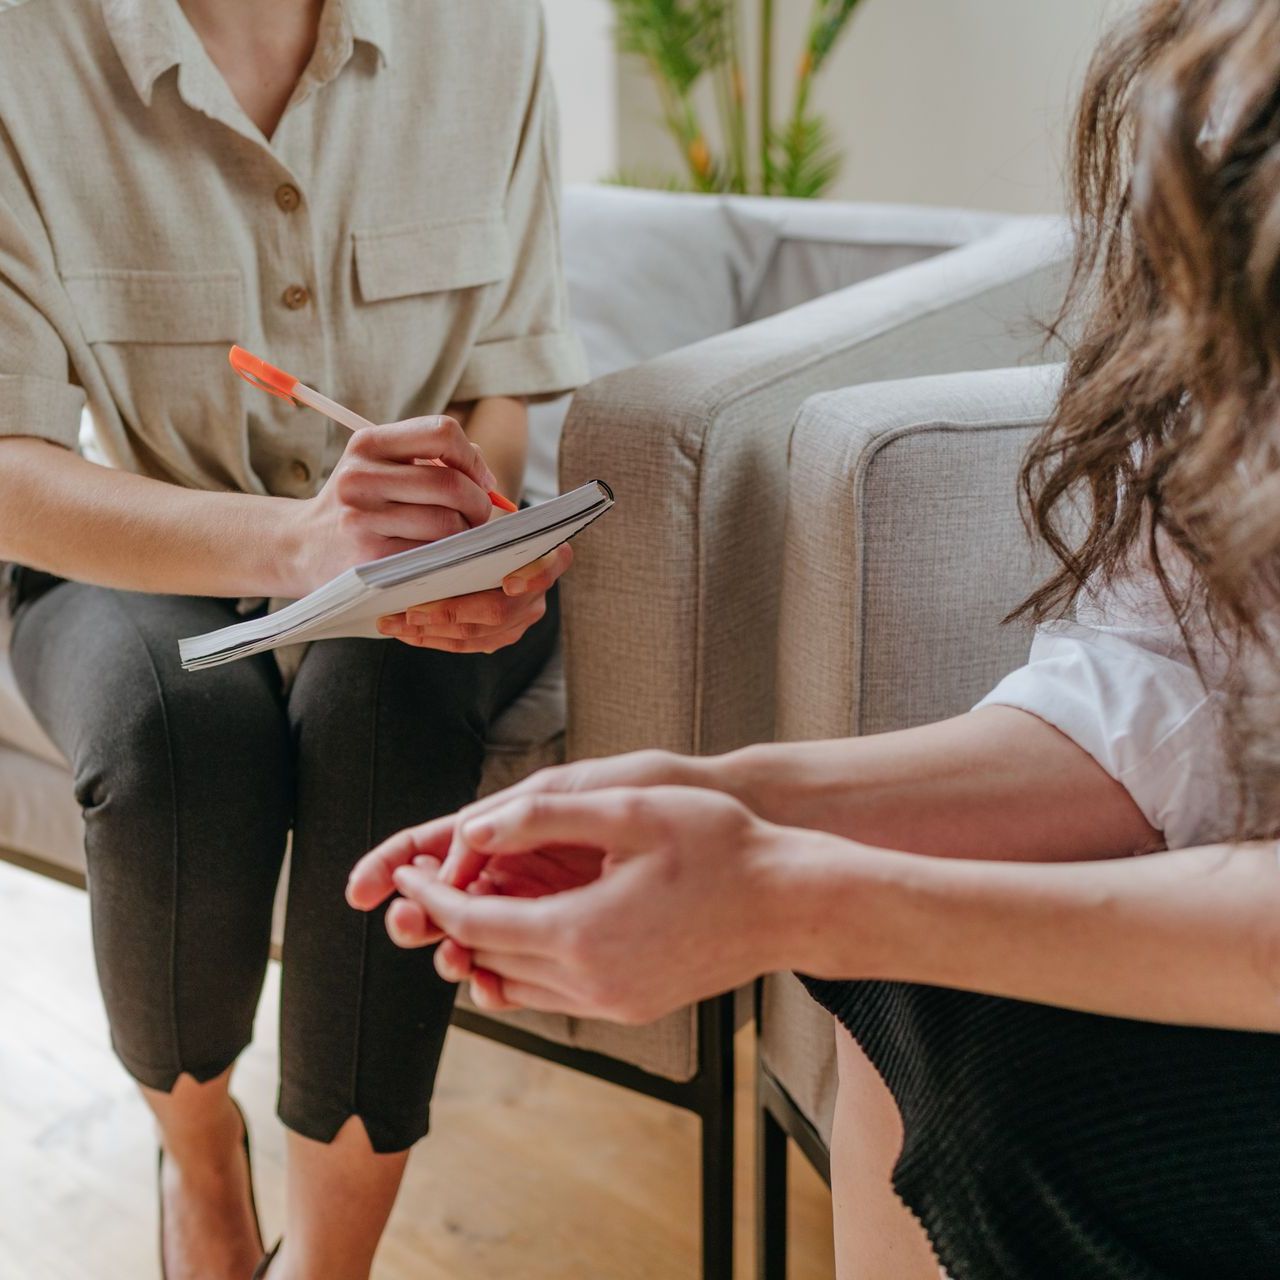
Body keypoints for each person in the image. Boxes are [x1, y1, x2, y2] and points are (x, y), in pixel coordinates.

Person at [349, 1, 1280, 1276]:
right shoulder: (1216, 87)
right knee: (913, 995)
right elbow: (1168, 664)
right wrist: (720, 789)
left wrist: (796, 889)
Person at [0, 1, 584, 1277]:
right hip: (141, 527)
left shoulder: (485, 28)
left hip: (410, 560)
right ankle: (200, 1160)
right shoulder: (25, 44)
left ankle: (328, 1263)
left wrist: (441, 535)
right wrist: (297, 548)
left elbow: (501, 387)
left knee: (389, 692)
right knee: (172, 735)